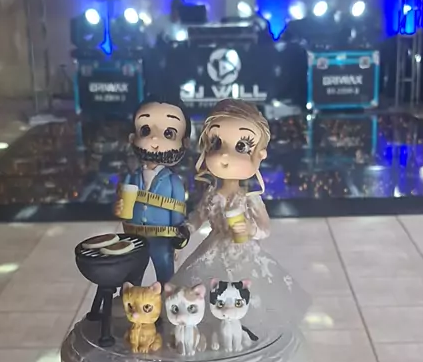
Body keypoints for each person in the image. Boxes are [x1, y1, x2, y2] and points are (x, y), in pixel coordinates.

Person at [173, 100, 307, 334]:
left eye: (242, 146)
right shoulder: (212, 194)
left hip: (243, 252)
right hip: (213, 249)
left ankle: (245, 328)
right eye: (216, 143)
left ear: (260, 155)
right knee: (206, 293)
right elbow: (198, 216)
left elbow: (265, 228)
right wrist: (186, 230)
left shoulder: (249, 198)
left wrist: (249, 229)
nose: (225, 154)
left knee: (247, 296)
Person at [114, 99, 190, 285]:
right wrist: (119, 208)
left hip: (162, 239)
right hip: (134, 236)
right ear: (132, 138)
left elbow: (177, 214)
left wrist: (177, 241)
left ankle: (165, 299)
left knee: (165, 275)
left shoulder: (173, 182)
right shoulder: (132, 177)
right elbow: (122, 205)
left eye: (169, 133)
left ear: (184, 142)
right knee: (132, 276)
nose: (154, 140)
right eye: (145, 130)